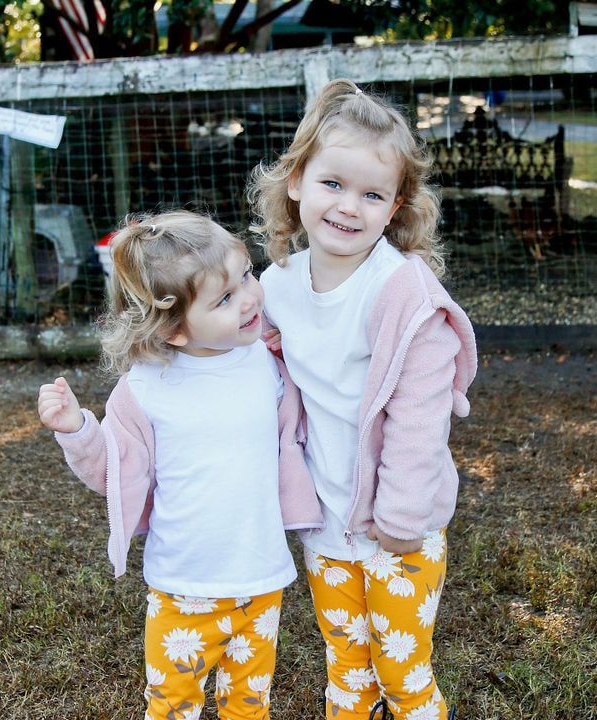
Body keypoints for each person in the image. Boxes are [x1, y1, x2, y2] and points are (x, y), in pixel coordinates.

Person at [247, 79, 478, 720]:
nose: (349, 206)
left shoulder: (402, 294)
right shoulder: (280, 284)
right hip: (325, 521)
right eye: (332, 184)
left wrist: (401, 519)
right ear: (296, 181)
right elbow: (260, 361)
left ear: (395, 205)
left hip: (400, 526)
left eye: (371, 194)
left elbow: (418, 419)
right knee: (347, 667)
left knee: (401, 671)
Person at [35, 210, 323, 720]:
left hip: (261, 580)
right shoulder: (146, 389)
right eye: (225, 298)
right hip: (183, 588)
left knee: (250, 706)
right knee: (171, 708)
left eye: (247, 275)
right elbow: (113, 469)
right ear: (172, 330)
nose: (251, 297)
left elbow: (303, 428)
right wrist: (78, 429)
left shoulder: (269, 363)